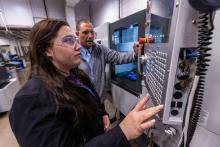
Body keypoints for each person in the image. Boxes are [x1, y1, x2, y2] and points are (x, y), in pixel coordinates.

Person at [9, 19, 163, 147]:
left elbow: (92, 95)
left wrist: (101, 112)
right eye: (69, 41)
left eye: (75, 40)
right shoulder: (31, 99)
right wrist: (122, 131)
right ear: (47, 50)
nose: (77, 46)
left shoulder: (76, 75)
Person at [76, 19, 142, 129]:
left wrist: (135, 54)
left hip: (99, 101)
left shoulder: (100, 49)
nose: (90, 36)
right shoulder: (73, 53)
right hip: (82, 103)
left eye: (92, 32)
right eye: (85, 32)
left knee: (100, 129)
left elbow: (118, 57)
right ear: (77, 34)